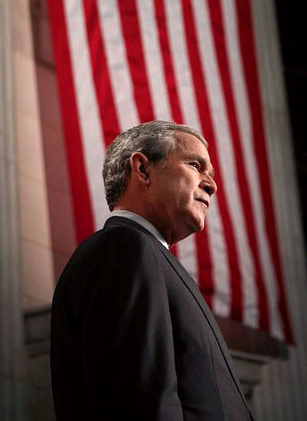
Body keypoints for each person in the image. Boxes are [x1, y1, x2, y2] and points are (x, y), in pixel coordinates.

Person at [50, 120, 253, 419]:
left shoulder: (146, 256)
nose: (212, 184)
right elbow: (141, 400)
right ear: (143, 169)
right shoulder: (125, 248)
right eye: (196, 165)